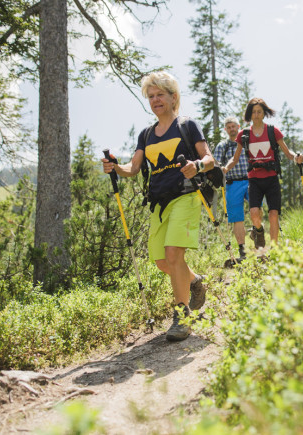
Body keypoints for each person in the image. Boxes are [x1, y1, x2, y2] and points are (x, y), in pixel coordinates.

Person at [102, 71, 214, 342]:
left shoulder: (187, 126)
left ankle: (182, 315)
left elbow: (209, 159)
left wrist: (196, 166)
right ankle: (195, 282)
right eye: (150, 96)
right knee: (162, 261)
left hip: (185, 196)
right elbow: (134, 168)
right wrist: (116, 166)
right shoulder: (146, 134)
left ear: (173, 97)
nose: (155, 100)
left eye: (160, 95)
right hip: (158, 202)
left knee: (174, 254)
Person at [226, 98, 303, 248]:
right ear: (250, 114)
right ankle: (259, 231)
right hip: (254, 180)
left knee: (273, 214)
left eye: (259, 112)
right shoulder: (244, 134)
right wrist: (224, 169)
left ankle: (274, 249)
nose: (256, 115)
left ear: (264, 114)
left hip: (271, 178)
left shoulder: (272, 131)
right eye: (253, 112)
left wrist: (297, 158)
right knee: (255, 213)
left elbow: (288, 153)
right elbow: (235, 159)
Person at [213, 117, 249, 261]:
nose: (232, 129)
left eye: (234, 126)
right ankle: (243, 251)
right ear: (225, 130)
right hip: (232, 184)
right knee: (237, 218)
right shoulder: (222, 146)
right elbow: (216, 164)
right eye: (229, 127)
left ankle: (258, 236)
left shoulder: (247, 142)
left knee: (256, 209)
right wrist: (220, 169)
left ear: (238, 126)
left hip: (251, 180)